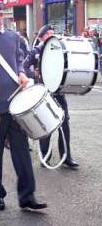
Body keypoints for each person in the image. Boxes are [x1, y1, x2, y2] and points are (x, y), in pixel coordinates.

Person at [0, 0, 47, 211]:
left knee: (22, 151)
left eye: (1, 14)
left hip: (15, 103)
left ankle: (27, 196)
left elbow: (19, 58)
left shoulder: (13, 37)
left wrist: (22, 72)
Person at [23, 24, 79, 168]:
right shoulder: (36, 50)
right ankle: (45, 156)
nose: (51, 35)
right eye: (48, 33)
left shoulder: (58, 49)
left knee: (64, 123)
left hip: (59, 92)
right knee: (45, 125)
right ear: (41, 37)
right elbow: (23, 67)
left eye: (52, 33)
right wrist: (34, 74)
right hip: (44, 93)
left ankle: (66, 156)